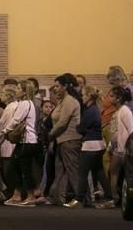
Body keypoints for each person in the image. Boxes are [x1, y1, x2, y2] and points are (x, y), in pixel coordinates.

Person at [64, 86, 114, 209]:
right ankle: (110, 197)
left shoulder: (90, 111)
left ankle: (78, 199)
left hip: (90, 145)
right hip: (98, 144)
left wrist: (80, 128)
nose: (82, 97)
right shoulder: (95, 109)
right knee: (99, 172)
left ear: (89, 96)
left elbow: (80, 128)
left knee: (82, 172)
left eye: (83, 95)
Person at [1, 80, 40, 207]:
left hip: (26, 141)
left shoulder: (24, 103)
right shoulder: (30, 104)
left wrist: (5, 131)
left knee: (23, 170)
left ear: (24, 91)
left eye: (18, 88)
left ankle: (30, 196)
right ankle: (17, 196)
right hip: (27, 141)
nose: (16, 90)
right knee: (15, 168)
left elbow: (16, 120)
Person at [48, 74, 82, 206]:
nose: (55, 89)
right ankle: (57, 197)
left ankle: (80, 198)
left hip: (70, 140)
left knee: (72, 170)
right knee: (59, 169)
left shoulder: (69, 100)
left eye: (57, 86)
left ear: (65, 86)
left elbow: (63, 122)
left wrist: (51, 134)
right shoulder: (62, 101)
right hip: (61, 140)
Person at [107, 85, 133, 203]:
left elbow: (131, 130)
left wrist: (128, 147)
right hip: (117, 147)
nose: (109, 98)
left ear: (118, 98)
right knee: (114, 172)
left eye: (112, 96)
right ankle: (116, 196)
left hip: (122, 149)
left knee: (114, 172)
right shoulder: (118, 111)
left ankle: (115, 198)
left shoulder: (124, 111)